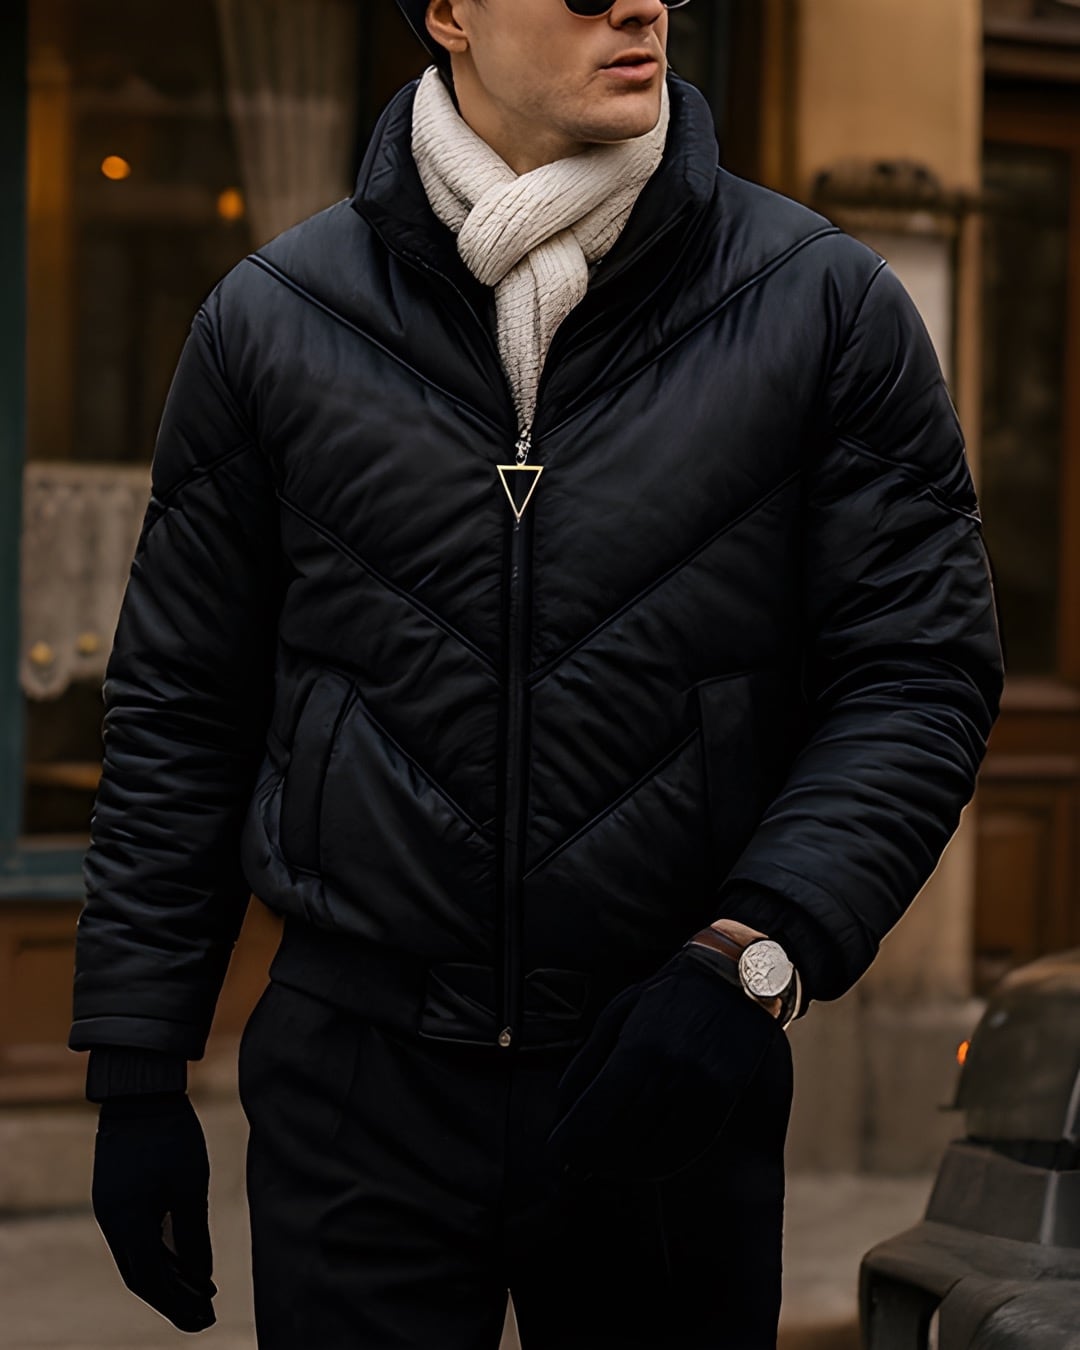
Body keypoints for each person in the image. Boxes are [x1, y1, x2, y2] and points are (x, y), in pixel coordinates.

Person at [68, 1, 1006, 1347]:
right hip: (355, 1089)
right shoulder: (272, 319)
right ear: (448, 11)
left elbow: (917, 674)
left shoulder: (823, 304)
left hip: (668, 1067)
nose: (637, 3)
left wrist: (756, 953)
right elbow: (180, 709)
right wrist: (138, 1065)